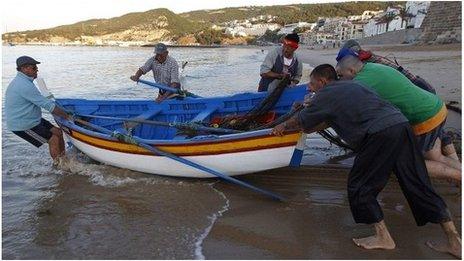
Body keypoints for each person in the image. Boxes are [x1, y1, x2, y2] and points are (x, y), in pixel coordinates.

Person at [271, 64, 461, 258]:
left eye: (312, 83)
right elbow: (322, 122)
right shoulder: (353, 86)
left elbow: (300, 119)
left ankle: (383, 237)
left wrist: (283, 125)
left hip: (380, 134)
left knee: (360, 185)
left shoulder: (325, 94)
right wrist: (308, 118)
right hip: (401, 126)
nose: (310, 88)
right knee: (418, 183)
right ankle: (455, 241)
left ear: (322, 81)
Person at [335, 54, 461, 184]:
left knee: (409, 164)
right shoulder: (374, 67)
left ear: (351, 71)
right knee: (436, 157)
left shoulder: (360, 82)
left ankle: (459, 177)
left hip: (425, 118)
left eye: (340, 76)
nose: (340, 80)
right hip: (436, 107)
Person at [5, 56, 69, 163]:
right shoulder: (23, 85)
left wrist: (60, 111)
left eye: (36, 68)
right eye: (34, 68)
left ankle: (64, 159)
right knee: (53, 139)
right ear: (24, 69)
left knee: (58, 132)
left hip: (32, 119)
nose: (37, 70)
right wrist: (67, 116)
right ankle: (60, 167)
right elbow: (47, 105)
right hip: (22, 125)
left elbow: (44, 100)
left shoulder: (24, 81)